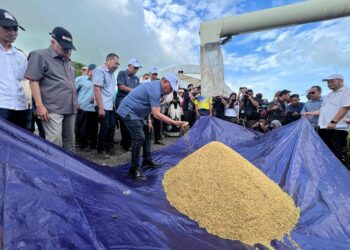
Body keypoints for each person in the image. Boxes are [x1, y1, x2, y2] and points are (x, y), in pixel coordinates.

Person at [117, 73, 186, 181]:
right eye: (171, 87)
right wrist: (174, 122)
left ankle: (147, 160)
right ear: (164, 82)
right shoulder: (155, 89)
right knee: (139, 137)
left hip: (140, 114)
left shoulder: (158, 89)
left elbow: (148, 105)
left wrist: (148, 120)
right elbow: (157, 114)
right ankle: (134, 169)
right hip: (129, 111)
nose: (171, 90)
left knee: (148, 132)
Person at [25, 27, 77, 150]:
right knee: (54, 142)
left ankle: (69, 167)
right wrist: (39, 106)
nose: (67, 50)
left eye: (69, 47)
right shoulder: (39, 55)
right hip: (52, 109)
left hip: (70, 108)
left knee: (70, 142)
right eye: (64, 47)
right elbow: (34, 81)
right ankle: (53, 168)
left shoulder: (67, 60)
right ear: (53, 42)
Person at [306, 74, 350, 166]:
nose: (329, 84)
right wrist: (310, 113)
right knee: (326, 152)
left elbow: (345, 107)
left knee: (337, 153)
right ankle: (329, 173)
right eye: (328, 82)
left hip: (337, 128)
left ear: (341, 81)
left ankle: (339, 174)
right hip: (323, 127)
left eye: (332, 81)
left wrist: (334, 121)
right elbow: (323, 110)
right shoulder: (329, 95)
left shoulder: (346, 91)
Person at [0, 9, 30, 129]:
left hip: (20, 108)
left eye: (15, 29)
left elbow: (26, 81)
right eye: (7, 28)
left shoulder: (21, 56)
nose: (12, 32)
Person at [94, 53, 120, 156]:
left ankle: (110, 148)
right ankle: (101, 150)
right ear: (109, 60)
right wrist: (100, 108)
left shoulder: (112, 74)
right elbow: (96, 89)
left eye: (118, 64)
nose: (117, 66)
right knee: (105, 127)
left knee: (112, 127)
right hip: (103, 106)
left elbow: (108, 91)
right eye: (116, 63)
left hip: (110, 106)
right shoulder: (100, 70)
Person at [116, 58, 141, 151]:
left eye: (138, 68)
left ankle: (126, 142)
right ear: (129, 66)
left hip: (132, 103)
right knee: (124, 123)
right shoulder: (122, 73)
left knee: (131, 123)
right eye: (135, 67)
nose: (136, 69)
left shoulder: (137, 78)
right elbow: (121, 86)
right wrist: (134, 91)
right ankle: (126, 144)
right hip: (122, 101)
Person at [75, 64, 98, 151]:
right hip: (83, 108)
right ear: (89, 70)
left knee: (94, 128)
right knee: (83, 128)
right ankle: (83, 145)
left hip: (94, 108)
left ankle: (93, 145)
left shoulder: (98, 81)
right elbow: (73, 91)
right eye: (93, 71)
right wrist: (75, 104)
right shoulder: (80, 79)